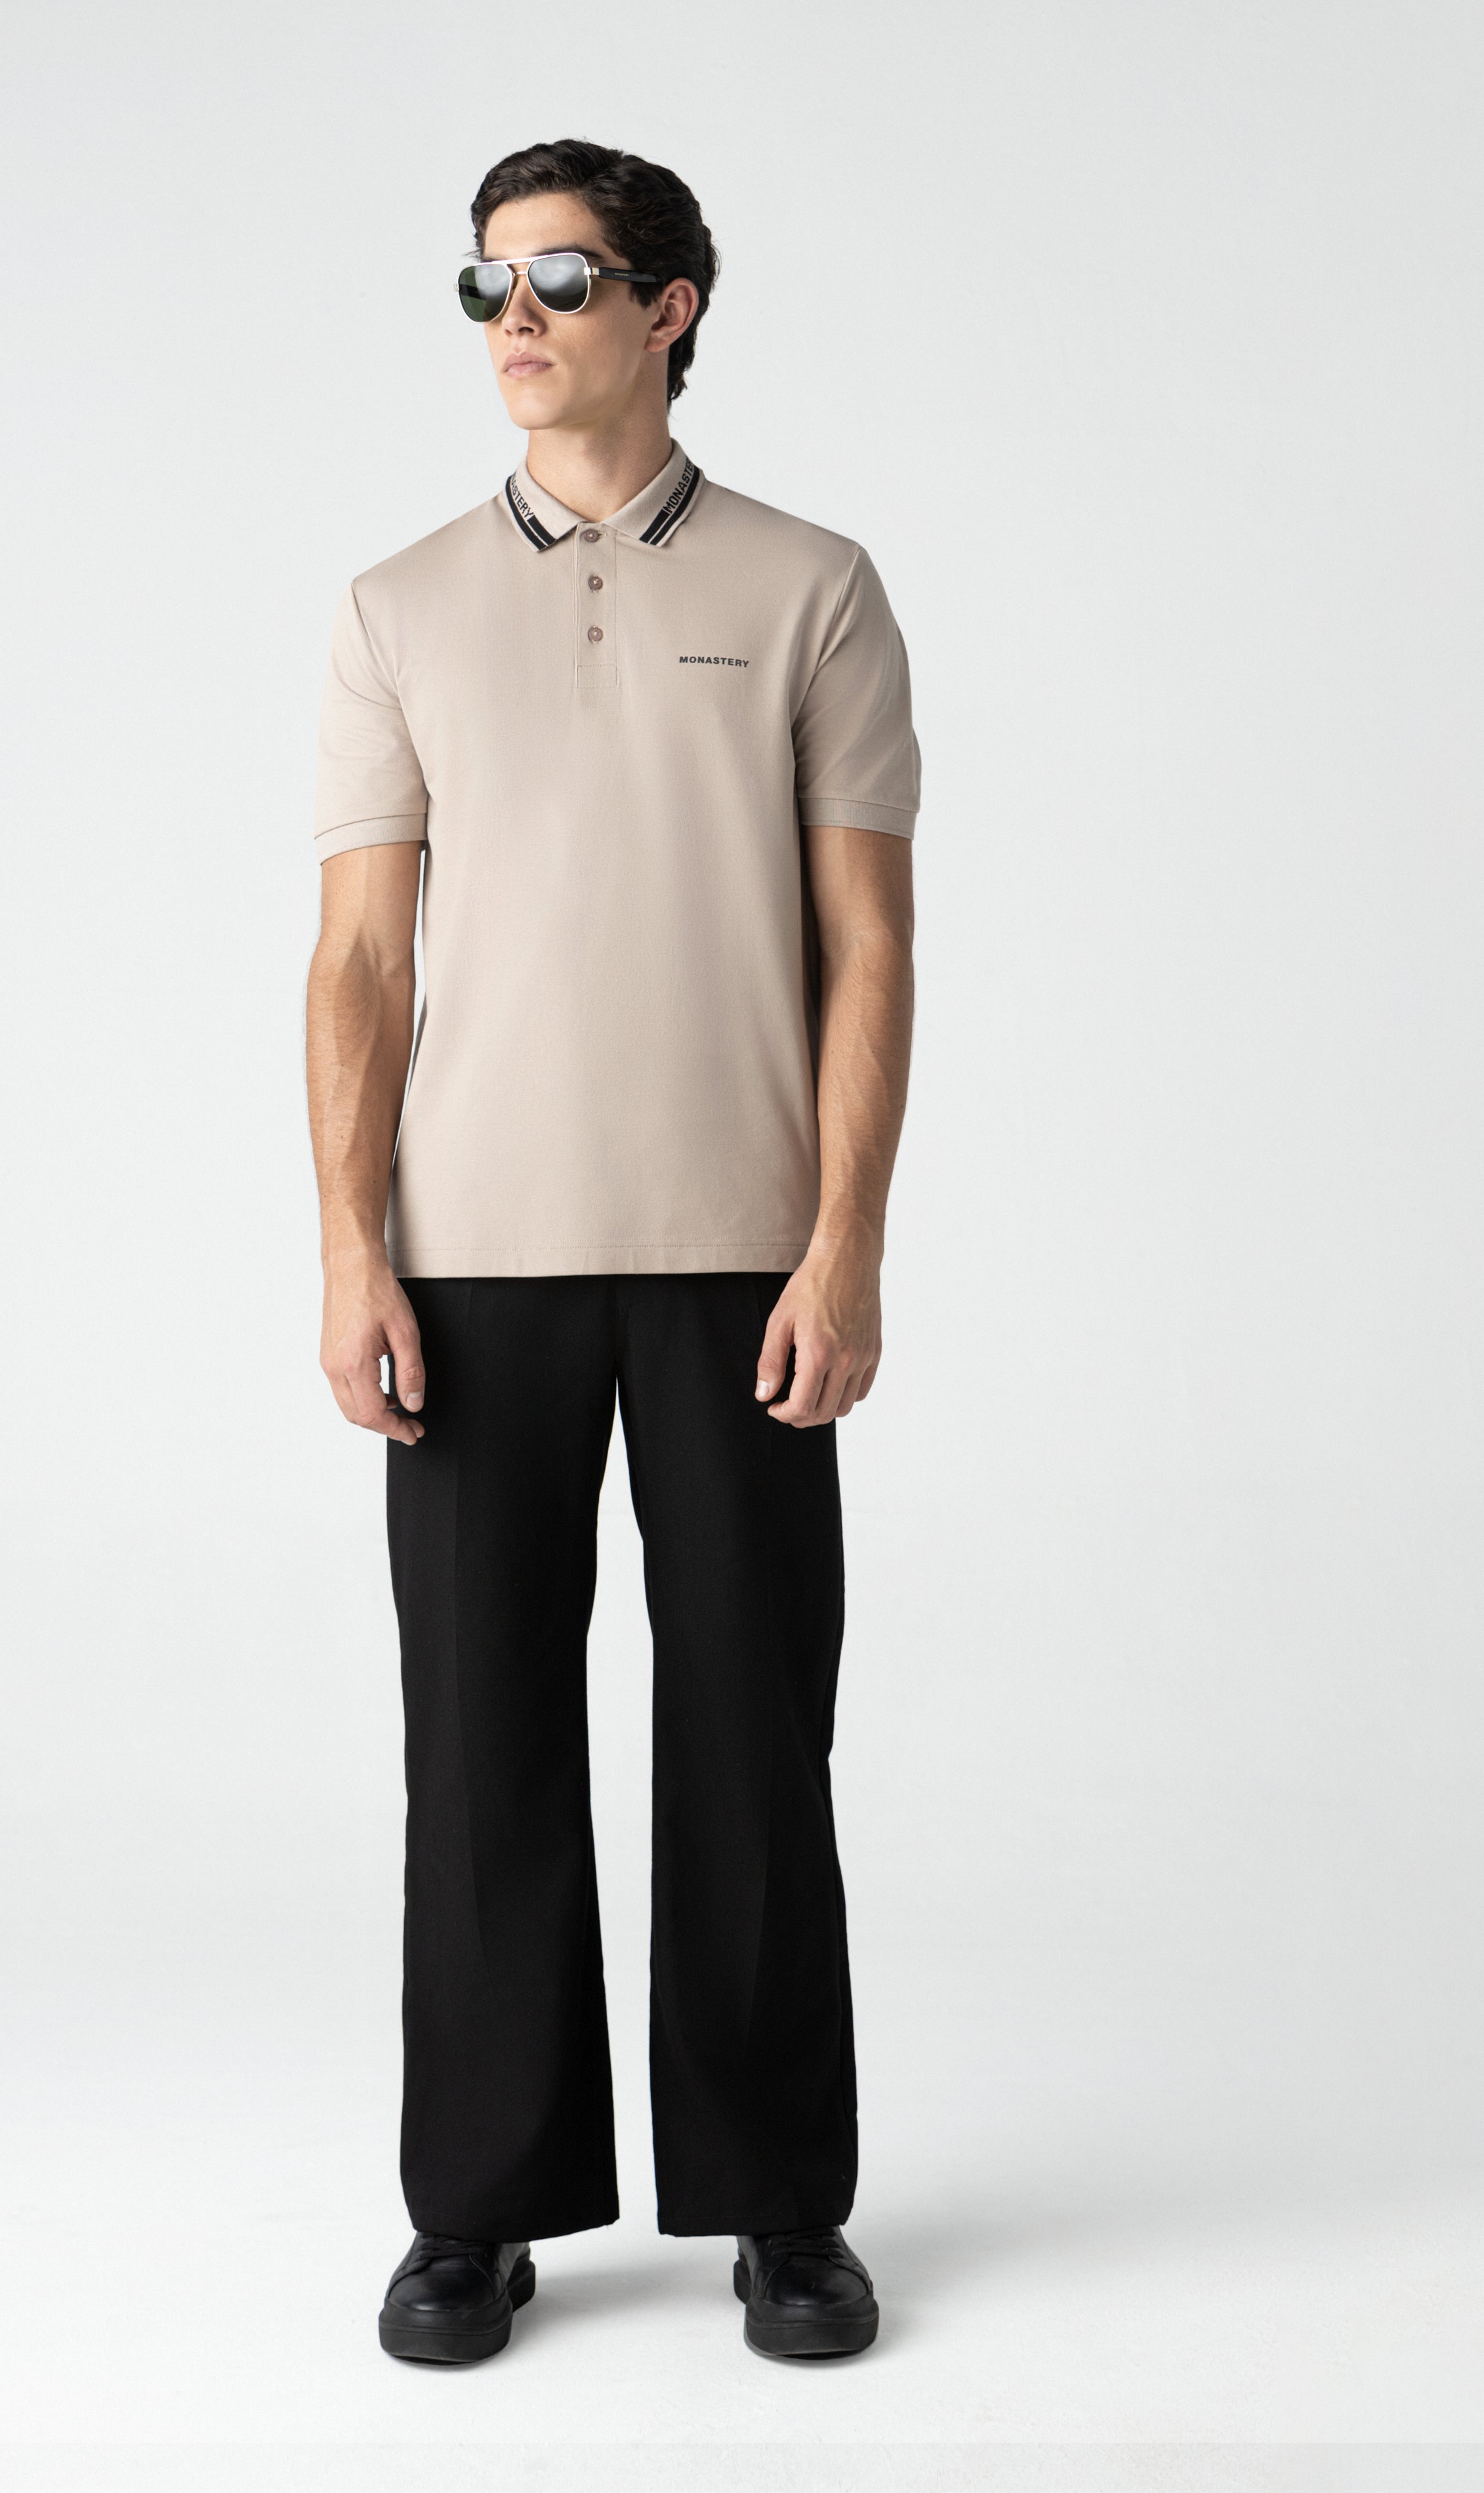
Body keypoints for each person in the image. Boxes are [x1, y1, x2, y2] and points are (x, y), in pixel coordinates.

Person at [302, 136, 917, 2366]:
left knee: (752, 1737)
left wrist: (844, 1246)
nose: (516, 319)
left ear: (672, 307)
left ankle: (780, 2203)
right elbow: (362, 961)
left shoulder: (814, 584)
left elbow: (870, 945)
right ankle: (476, 2209)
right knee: (477, 1751)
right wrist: (352, 1249)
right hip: (471, 1260)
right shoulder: (395, 607)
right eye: (486, 283)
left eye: (561, 277)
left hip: (742, 1252)